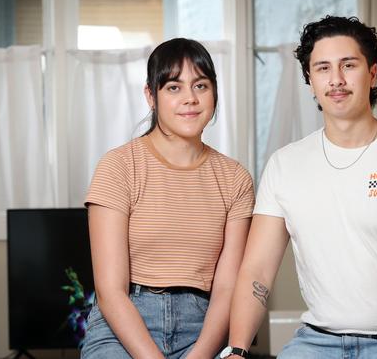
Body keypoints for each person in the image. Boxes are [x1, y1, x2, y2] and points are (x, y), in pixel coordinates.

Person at [221, 16, 377, 359]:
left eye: (349, 65)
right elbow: (257, 271)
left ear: (373, 73)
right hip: (314, 343)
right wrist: (238, 350)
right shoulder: (285, 165)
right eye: (323, 68)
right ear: (310, 80)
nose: (337, 80)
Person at [81, 38, 255, 359]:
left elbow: (227, 289)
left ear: (214, 92)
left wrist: (200, 355)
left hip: (202, 329)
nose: (190, 98)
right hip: (123, 326)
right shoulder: (119, 165)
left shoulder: (235, 179)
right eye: (174, 88)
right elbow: (109, 291)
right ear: (151, 96)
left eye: (201, 85)